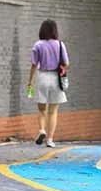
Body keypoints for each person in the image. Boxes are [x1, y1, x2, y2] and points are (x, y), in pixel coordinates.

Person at [27, 19, 69, 148]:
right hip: (56, 78)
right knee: (53, 111)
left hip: (42, 77)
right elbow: (66, 64)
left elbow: (34, 65)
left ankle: (41, 130)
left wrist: (30, 81)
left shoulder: (38, 45)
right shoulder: (60, 44)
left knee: (41, 109)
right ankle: (50, 140)